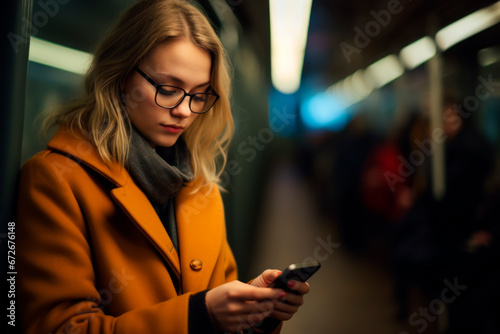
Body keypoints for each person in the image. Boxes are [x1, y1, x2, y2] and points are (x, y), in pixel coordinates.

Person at [16, 1, 310, 333]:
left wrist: (256, 312)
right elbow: (60, 327)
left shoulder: (201, 184)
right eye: (168, 90)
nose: (185, 110)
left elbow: (218, 307)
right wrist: (198, 315)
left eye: (199, 95)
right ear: (120, 76)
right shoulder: (55, 179)